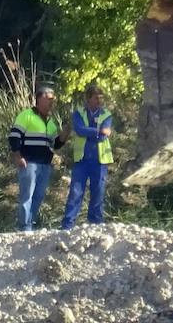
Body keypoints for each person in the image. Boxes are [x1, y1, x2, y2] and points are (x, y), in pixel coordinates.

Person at [8, 85, 65, 231]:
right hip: (30, 163)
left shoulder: (50, 122)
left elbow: (56, 144)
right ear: (40, 98)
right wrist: (17, 155)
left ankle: (29, 224)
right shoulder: (26, 115)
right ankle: (25, 226)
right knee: (27, 196)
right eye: (49, 99)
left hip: (45, 164)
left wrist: (67, 132)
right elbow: (14, 136)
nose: (52, 102)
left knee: (38, 196)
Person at [61, 83, 113, 229]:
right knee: (76, 192)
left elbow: (103, 137)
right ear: (88, 99)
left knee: (98, 192)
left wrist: (92, 132)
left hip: (100, 159)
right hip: (82, 159)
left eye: (101, 98)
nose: (99, 101)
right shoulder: (79, 113)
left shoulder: (106, 114)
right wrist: (98, 132)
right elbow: (79, 130)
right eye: (96, 98)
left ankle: (95, 224)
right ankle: (67, 225)